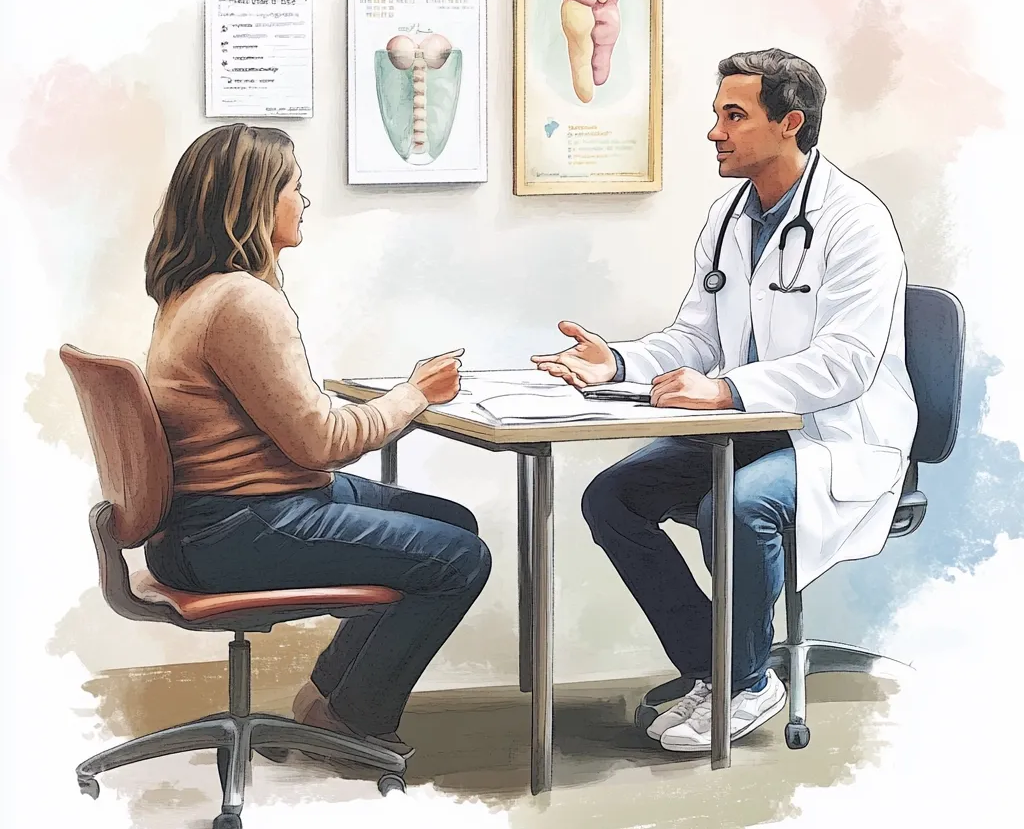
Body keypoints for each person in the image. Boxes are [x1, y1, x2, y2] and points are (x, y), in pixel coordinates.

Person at [532, 49, 917, 753]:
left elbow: (848, 365)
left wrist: (729, 389)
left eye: (733, 116)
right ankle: (721, 670)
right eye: (716, 115)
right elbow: (695, 336)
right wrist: (616, 360)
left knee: (735, 506)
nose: (714, 131)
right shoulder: (729, 216)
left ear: (790, 123)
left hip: (838, 431)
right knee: (612, 499)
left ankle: (743, 684)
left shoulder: (856, 222)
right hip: (756, 426)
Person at [143, 123, 490, 758]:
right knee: (458, 559)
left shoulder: (192, 294)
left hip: (208, 522)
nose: (304, 202)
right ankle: (352, 719)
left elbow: (291, 425)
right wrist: (415, 394)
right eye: (295, 188)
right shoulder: (241, 302)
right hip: (238, 527)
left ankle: (326, 700)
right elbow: (321, 443)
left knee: (452, 521)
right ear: (253, 201)